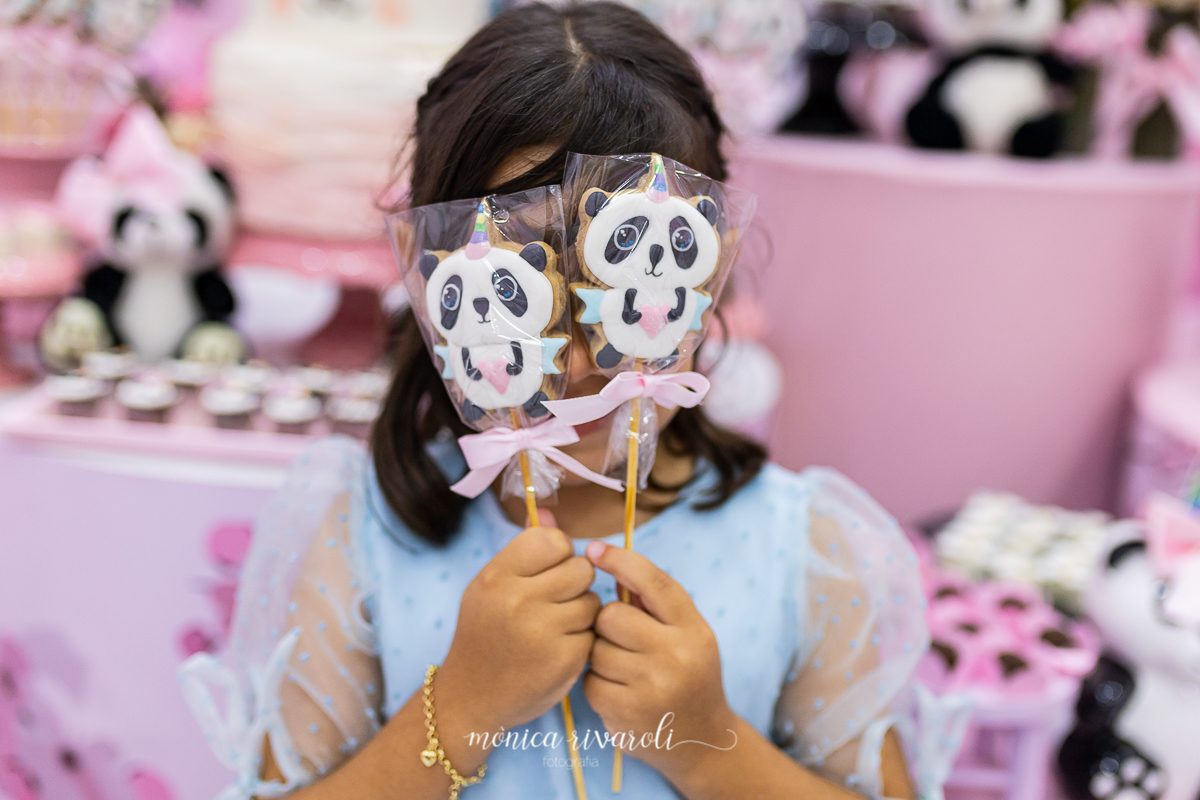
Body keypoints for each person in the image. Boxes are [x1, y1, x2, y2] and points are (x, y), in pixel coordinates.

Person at [181, 3, 931, 799]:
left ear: (706, 278)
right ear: (439, 292)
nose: (576, 364)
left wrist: (710, 749)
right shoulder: (367, 534)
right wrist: (462, 708)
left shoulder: (801, 550)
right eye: (521, 297)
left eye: (622, 295)